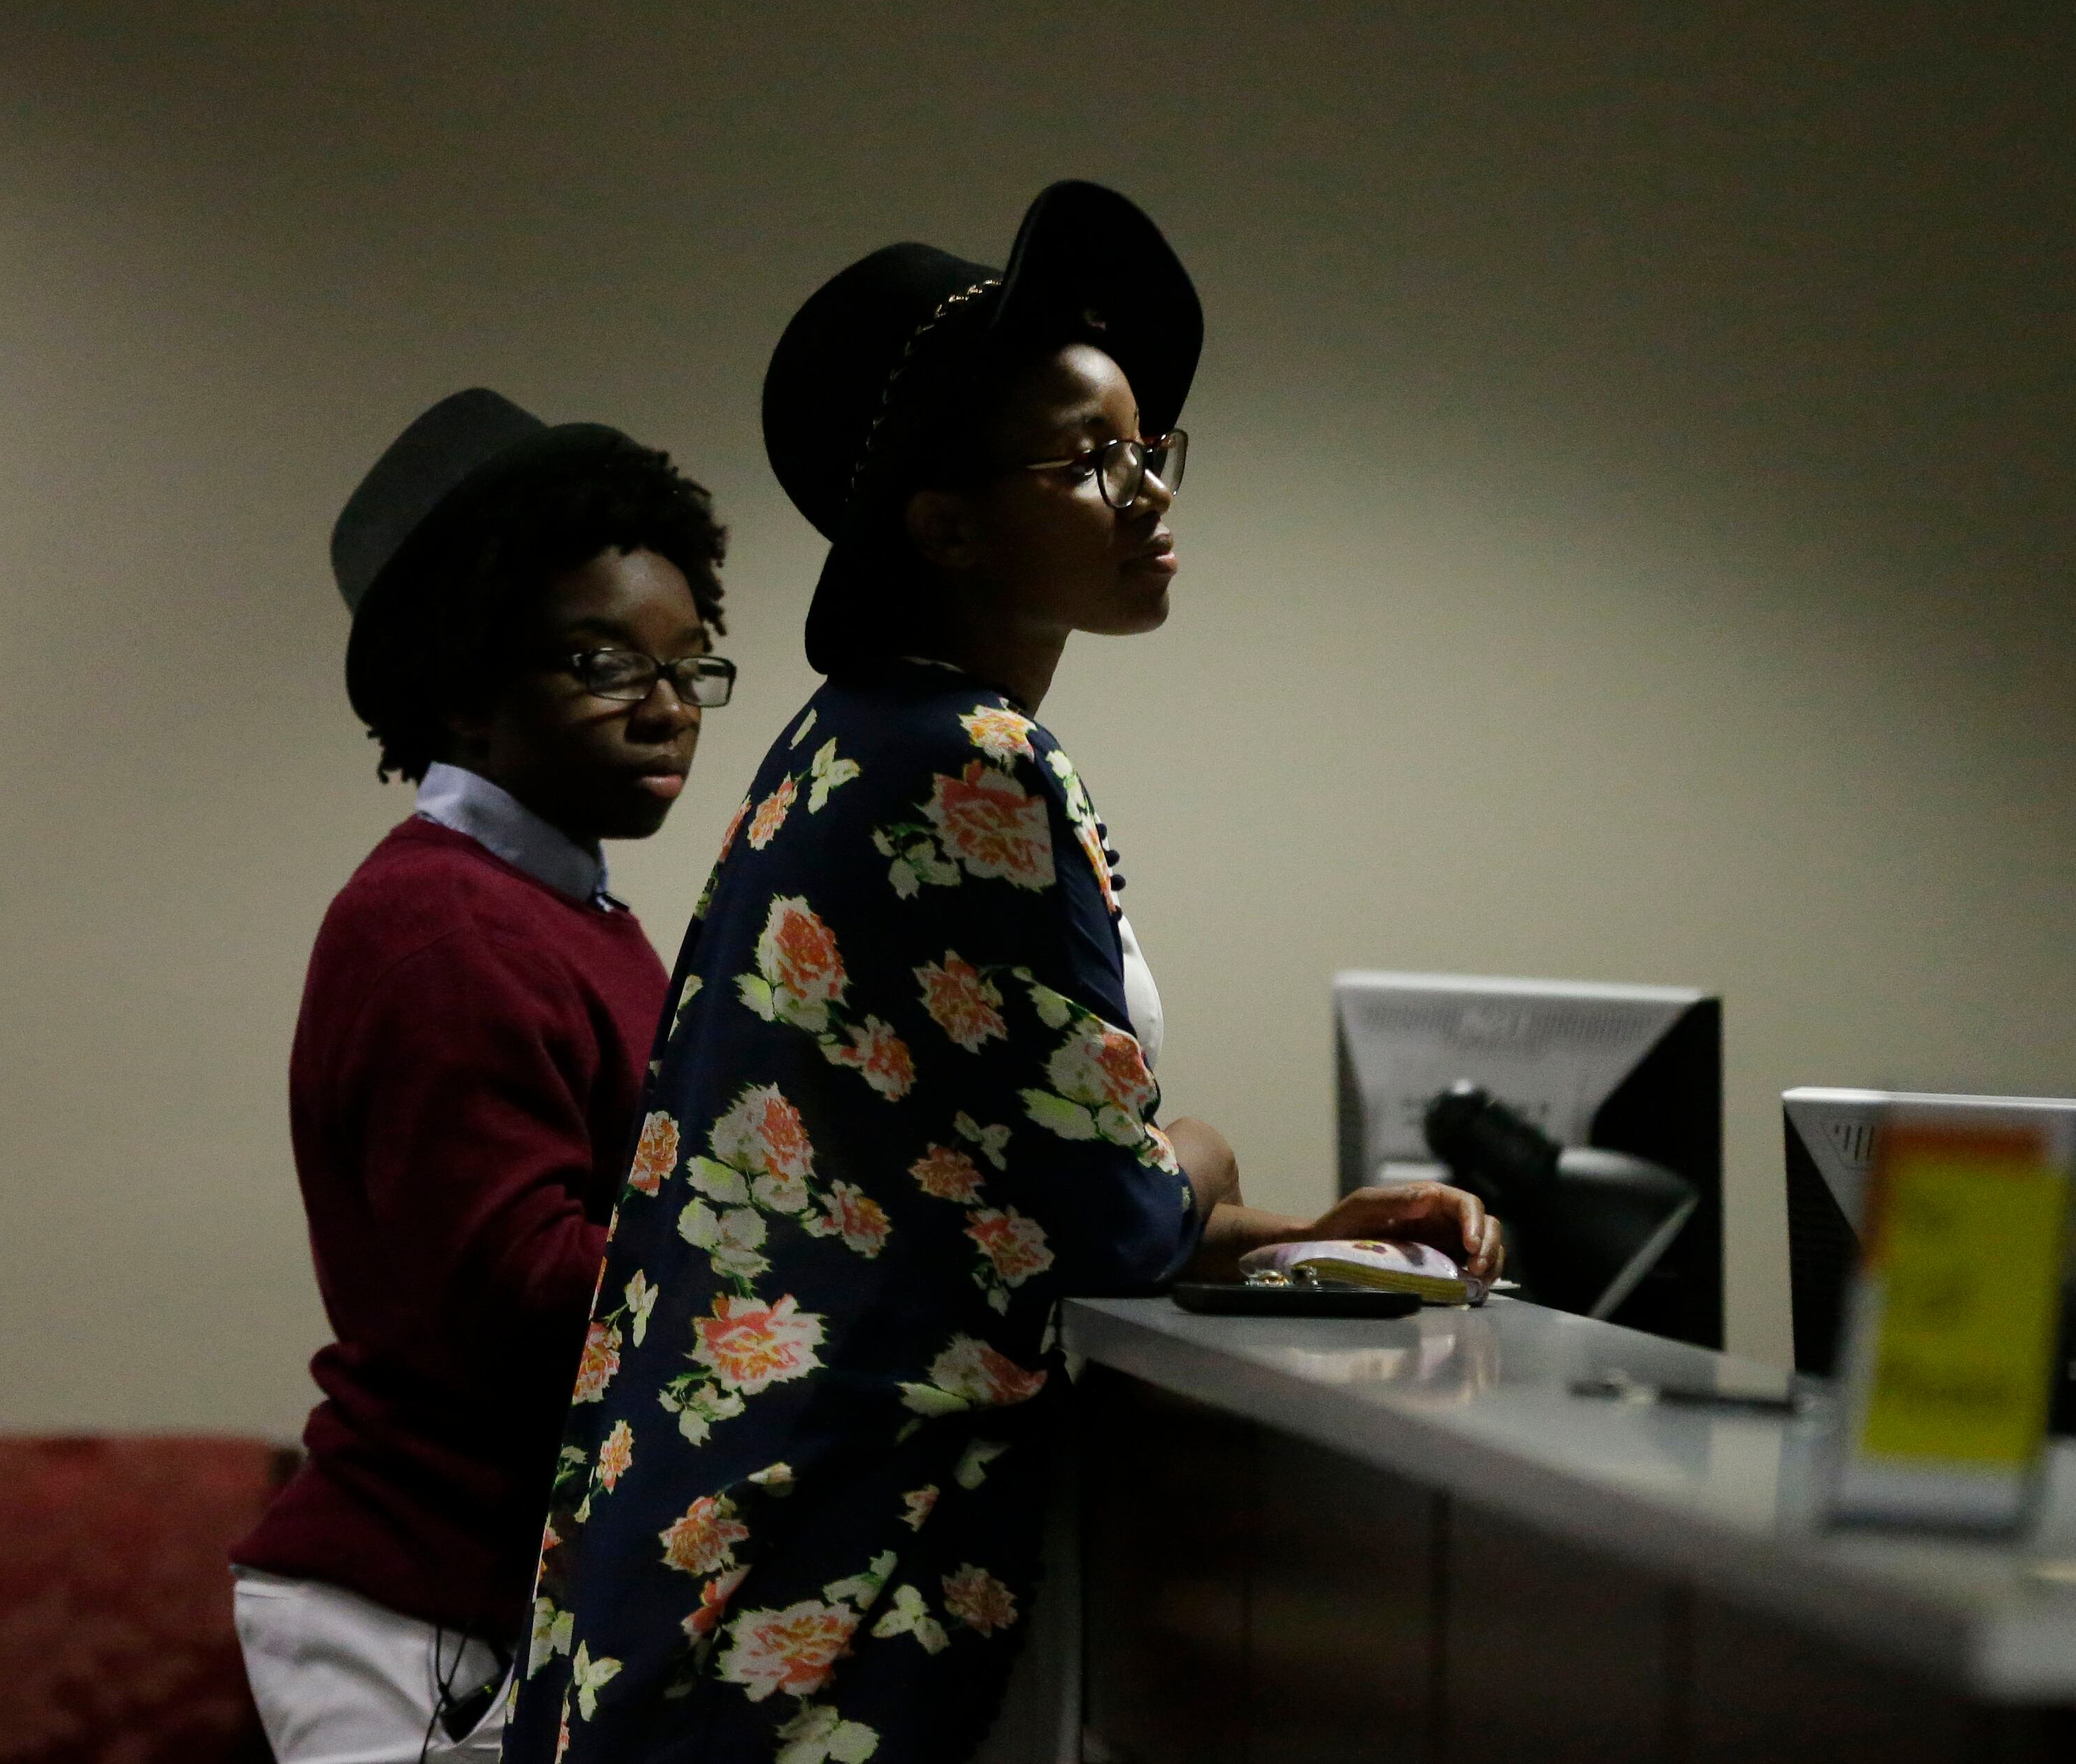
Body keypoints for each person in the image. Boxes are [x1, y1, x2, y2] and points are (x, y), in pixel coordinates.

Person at [506, 184, 1502, 1764]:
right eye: (1087, 461)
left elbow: (977, 1185)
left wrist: (1291, 1237)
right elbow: (1095, 1210)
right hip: (814, 1587)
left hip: (710, 1556)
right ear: (946, 520)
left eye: (1150, 449)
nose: (1145, 493)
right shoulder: (970, 761)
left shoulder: (848, 742)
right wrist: (1202, 1164)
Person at [232, 390, 735, 1764]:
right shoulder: (446, 927)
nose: (668, 708)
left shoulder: (569, 912)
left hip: (484, 1590)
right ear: (466, 692)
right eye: (605, 663)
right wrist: (794, 1254)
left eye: (691, 665)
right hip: (415, 1611)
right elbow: (521, 1296)